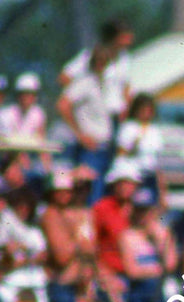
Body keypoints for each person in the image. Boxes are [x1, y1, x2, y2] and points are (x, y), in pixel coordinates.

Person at [41, 168, 99, 302]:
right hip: (60, 287)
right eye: (61, 191)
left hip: (75, 287)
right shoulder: (51, 216)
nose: (66, 195)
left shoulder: (73, 215)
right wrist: (78, 241)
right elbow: (62, 256)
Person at [57, 45, 116, 201]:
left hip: (105, 147)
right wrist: (80, 135)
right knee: (90, 197)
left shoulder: (104, 84)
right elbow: (63, 105)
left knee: (102, 196)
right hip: (90, 148)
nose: (102, 65)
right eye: (99, 61)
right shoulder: (85, 82)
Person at [59, 18, 135, 124]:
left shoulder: (124, 59)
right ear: (113, 38)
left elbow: (126, 88)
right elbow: (64, 78)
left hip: (117, 116)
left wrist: (127, 109)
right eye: (124, 37)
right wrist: (82, 96)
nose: (128, 41)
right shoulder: (90, 57)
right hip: (95, 119)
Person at [92, 160, 139, 302]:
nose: (125, 187)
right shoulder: (102, 209)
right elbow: (92, 246)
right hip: (111, 274)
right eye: (122, 182)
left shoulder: (141, 209)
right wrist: (103, 272)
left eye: (129, 183)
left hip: (139, 272)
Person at [116, 94, 165, 203]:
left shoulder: (155, 130)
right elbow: (121, 153)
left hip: (150, 174)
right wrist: (134, 145)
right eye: (143, 110)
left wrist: (162, 189)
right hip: (134, 175)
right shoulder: (129, 127)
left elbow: (156, 160)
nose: (146, 113)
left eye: (149, 110)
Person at [2, 73, 47, 140]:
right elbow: (7, 140)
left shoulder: (38, 113)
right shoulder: (8, 113)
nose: (26, 98)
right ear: (18, 95)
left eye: (30, 94)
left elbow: (41, 138)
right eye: (23, 94)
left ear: (35, 96)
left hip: (30, 149)